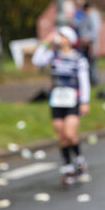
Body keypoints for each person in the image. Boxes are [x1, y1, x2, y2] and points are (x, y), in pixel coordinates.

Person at [32, 26, 91, 185]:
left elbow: (84, 81)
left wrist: (85, 101)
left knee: (70, 133)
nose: (59, 38)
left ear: (70, 39)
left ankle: (79, 159)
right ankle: (67, 167)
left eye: (62, 36)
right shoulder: (53, 55)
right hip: (57, 100)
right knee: (62, 136)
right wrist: (46, 42)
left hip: (72, 100)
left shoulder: (79, 58)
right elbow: (36, 60)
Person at [78, 2, 101, 86]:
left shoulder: (92, 15)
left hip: (90, 44)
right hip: (85, 44)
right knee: (88, 62)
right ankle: (89, 80)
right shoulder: (86, 16)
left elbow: (95, 30)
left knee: (92, 62)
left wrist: (88, 39)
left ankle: (93, 80)